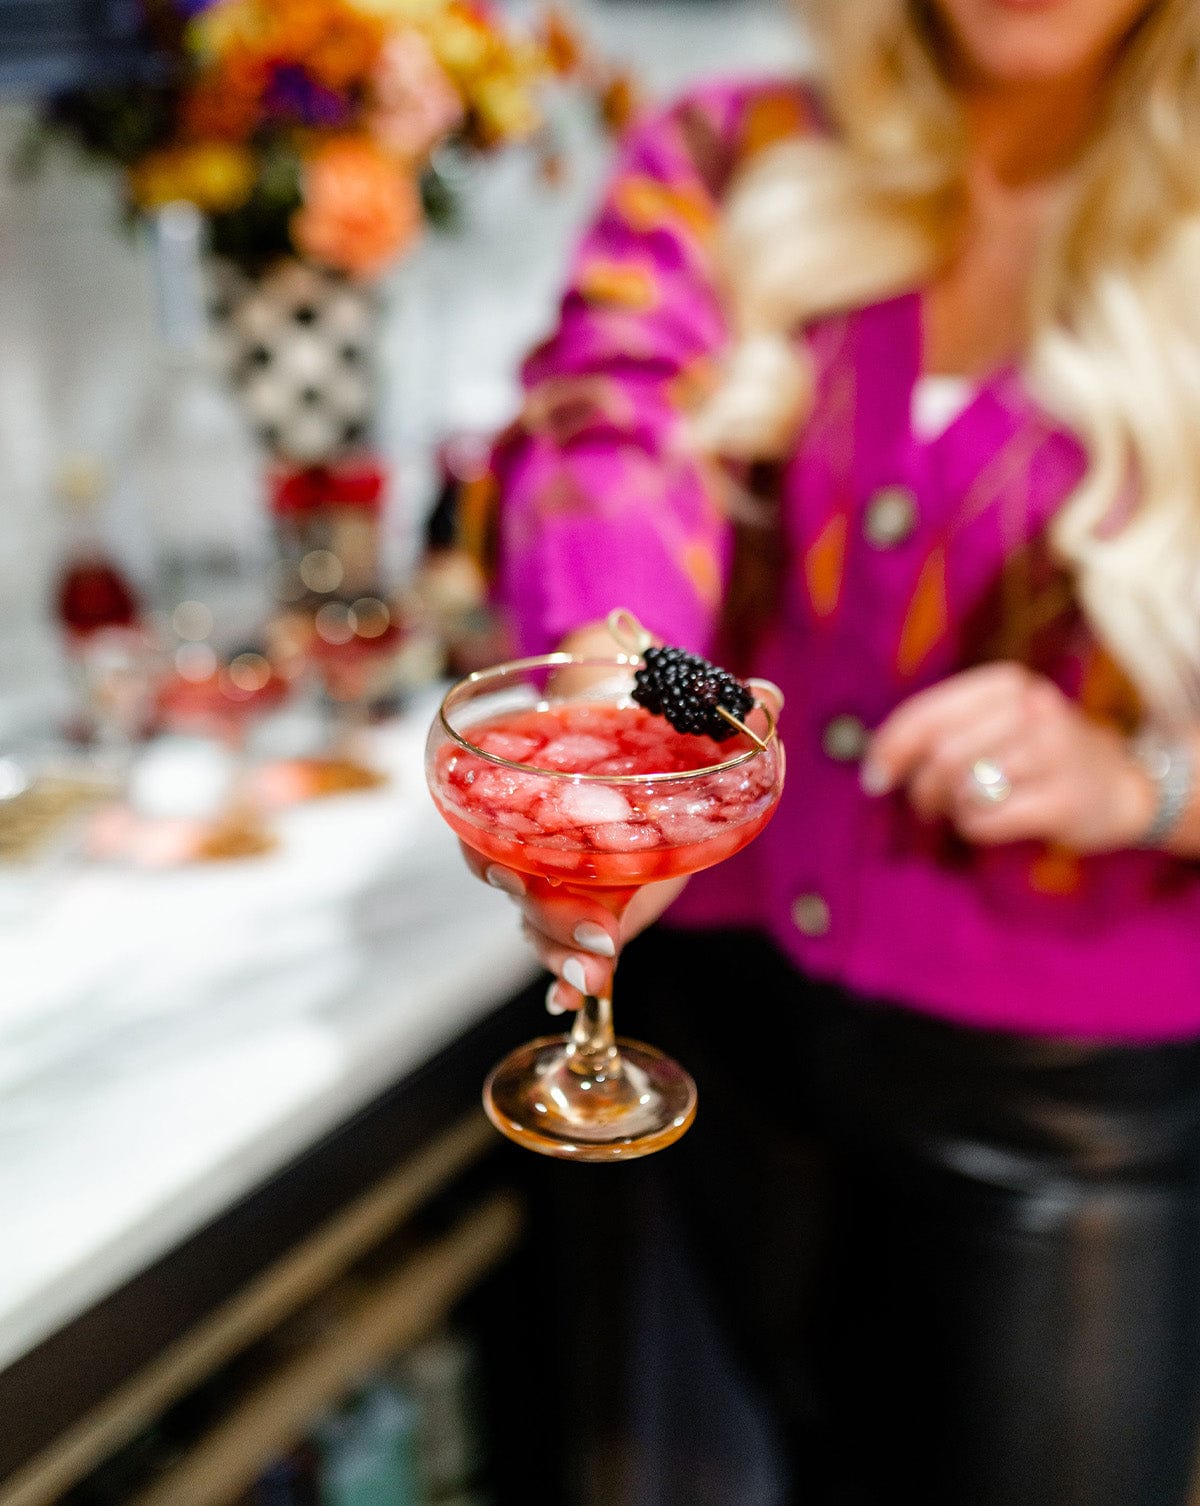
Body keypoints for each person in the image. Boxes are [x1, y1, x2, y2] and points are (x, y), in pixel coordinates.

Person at [459, 2, 1200, 1501]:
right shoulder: (735, 152)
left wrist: (1145, 784)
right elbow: (611, 429)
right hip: (735, 1018)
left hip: (1068, 1079)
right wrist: (628, 695)